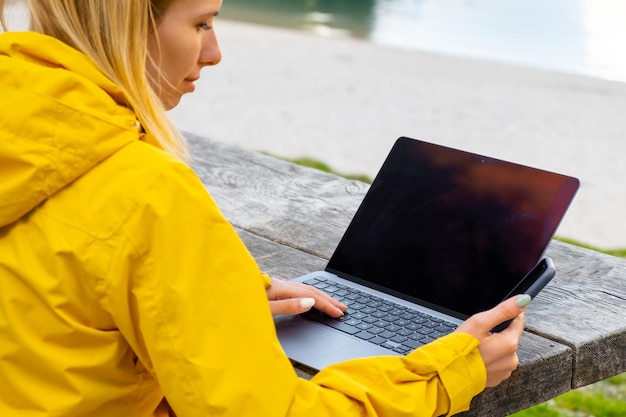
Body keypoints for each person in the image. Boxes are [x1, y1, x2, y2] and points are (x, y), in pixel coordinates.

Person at [0, 0, 529, 416]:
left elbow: (52, 297)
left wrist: (221, 296)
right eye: (203, 23)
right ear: (129, 24)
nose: (215, 53)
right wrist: (449, 373)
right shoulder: (147, 192)